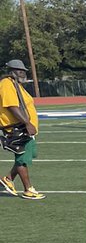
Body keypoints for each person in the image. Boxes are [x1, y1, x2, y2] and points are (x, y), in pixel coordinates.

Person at [0, 59, 43, 199]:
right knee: (22, 158)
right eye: (20, 71)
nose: (23, 73)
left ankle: (8, 179)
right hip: (16, 128)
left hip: (23, 127)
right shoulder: (6, 84)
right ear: (11, 71)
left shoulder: (16, 85)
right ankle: (28, 189)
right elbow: (12, 106)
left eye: (24, 71)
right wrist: (27, 123)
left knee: (26, 156)